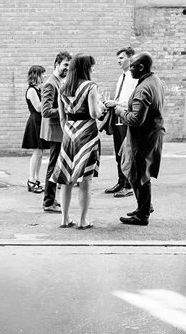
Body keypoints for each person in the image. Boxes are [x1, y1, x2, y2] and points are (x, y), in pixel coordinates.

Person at [105, 52, 164, 226]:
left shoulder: (143, 89)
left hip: (143, 137)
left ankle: (143, 214)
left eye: (133, 66)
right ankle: (143, 207)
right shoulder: (156, 81)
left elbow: (136, 120)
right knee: (137, 170)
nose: (130, 69)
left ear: (142, 67)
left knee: (139, 173)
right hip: (152, 133)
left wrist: (120, 111)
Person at [51, 53, 104, 230]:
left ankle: (64, 219)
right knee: (85, 179)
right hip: (87, 134)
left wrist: (69, 130)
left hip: (68, 134)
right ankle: (83, 220)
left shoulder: (63, 87)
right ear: (86, 68)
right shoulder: (90, 86)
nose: (92, 69)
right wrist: (101, 106)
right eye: (91, 66)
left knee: (66, 178)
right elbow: (94, 114)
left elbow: (61, 117)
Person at [104, 46, 137, 198]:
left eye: (122, 58)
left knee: (126, 151)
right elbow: (120, 98)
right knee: (118, 150)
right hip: (117, 115)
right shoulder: (121, 76)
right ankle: (121, 181)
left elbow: (130, 100)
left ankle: (129, 185)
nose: (119, 61)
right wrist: (113, 102)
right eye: (118, 58)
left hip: (126, 116)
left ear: (130, 59)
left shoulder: (133, 77)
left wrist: (116, 104)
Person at [41, 51, 72, 213]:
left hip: (60, 131)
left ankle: (51, 199)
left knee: (56, 167)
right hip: (55, 132)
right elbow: (45, 111)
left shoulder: (60, 81)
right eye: (65, 65)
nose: (68, 68)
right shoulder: (50, 83)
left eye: (69, 65)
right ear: (56, 64)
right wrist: (65, 109)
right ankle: (48, 202)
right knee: (53, 167)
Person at [22, 65, 49, 193]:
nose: (44, 76)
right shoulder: (32, 90)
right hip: (35, 123)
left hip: (40, 122)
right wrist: (47, 97)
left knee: (40, 153)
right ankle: (31, 181)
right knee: (37, 152)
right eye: (42, 74)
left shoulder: (39, 89)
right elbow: (38, 107)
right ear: (36, 75)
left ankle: (36, 179)